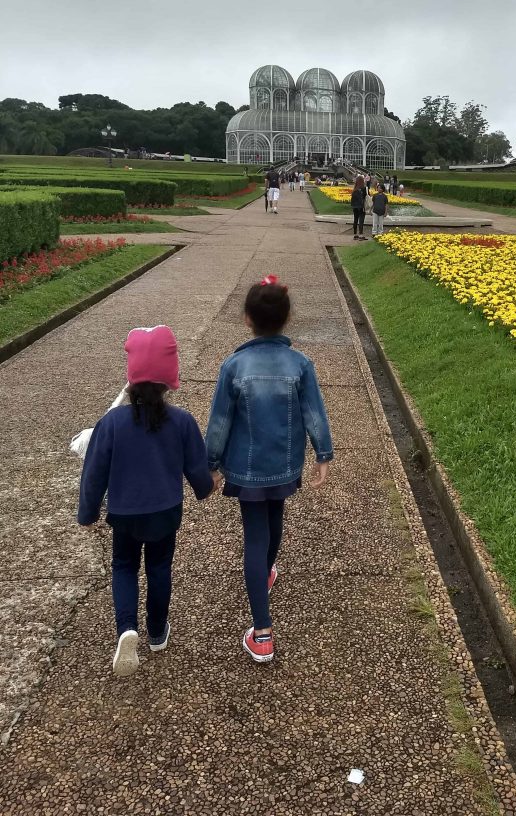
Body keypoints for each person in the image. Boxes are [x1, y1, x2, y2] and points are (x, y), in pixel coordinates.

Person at [77, 326, 221, 677]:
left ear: (131, 379)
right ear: (169, 379)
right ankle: (157, 632)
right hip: (165, 511)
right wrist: (206, 487)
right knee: (159, 568)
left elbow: (94, 472)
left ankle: (127, 628)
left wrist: (88, 513)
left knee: (124, 566)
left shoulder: (111, 423)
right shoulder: (182, 421)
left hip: (124, 512)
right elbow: (196, 466)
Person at [205, 276, 333, 663]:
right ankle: (265, 574)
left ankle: (262, 633)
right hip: (284, 462)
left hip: (246, 467)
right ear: (287, 318)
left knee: (254, 538)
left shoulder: (234, 365)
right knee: (275, 518)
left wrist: (210, 464)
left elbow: (220, 422)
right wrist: (322, 454)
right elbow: (314, 413)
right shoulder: (300, 364)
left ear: (247, 319)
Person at [350, 175, 367, 240]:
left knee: (355, 219)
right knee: (361, 220)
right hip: (361, 206)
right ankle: (361, 234)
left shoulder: (355, 189)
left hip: (354, 206)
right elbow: (367, 196)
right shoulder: (364, 188)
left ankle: (355, 234)